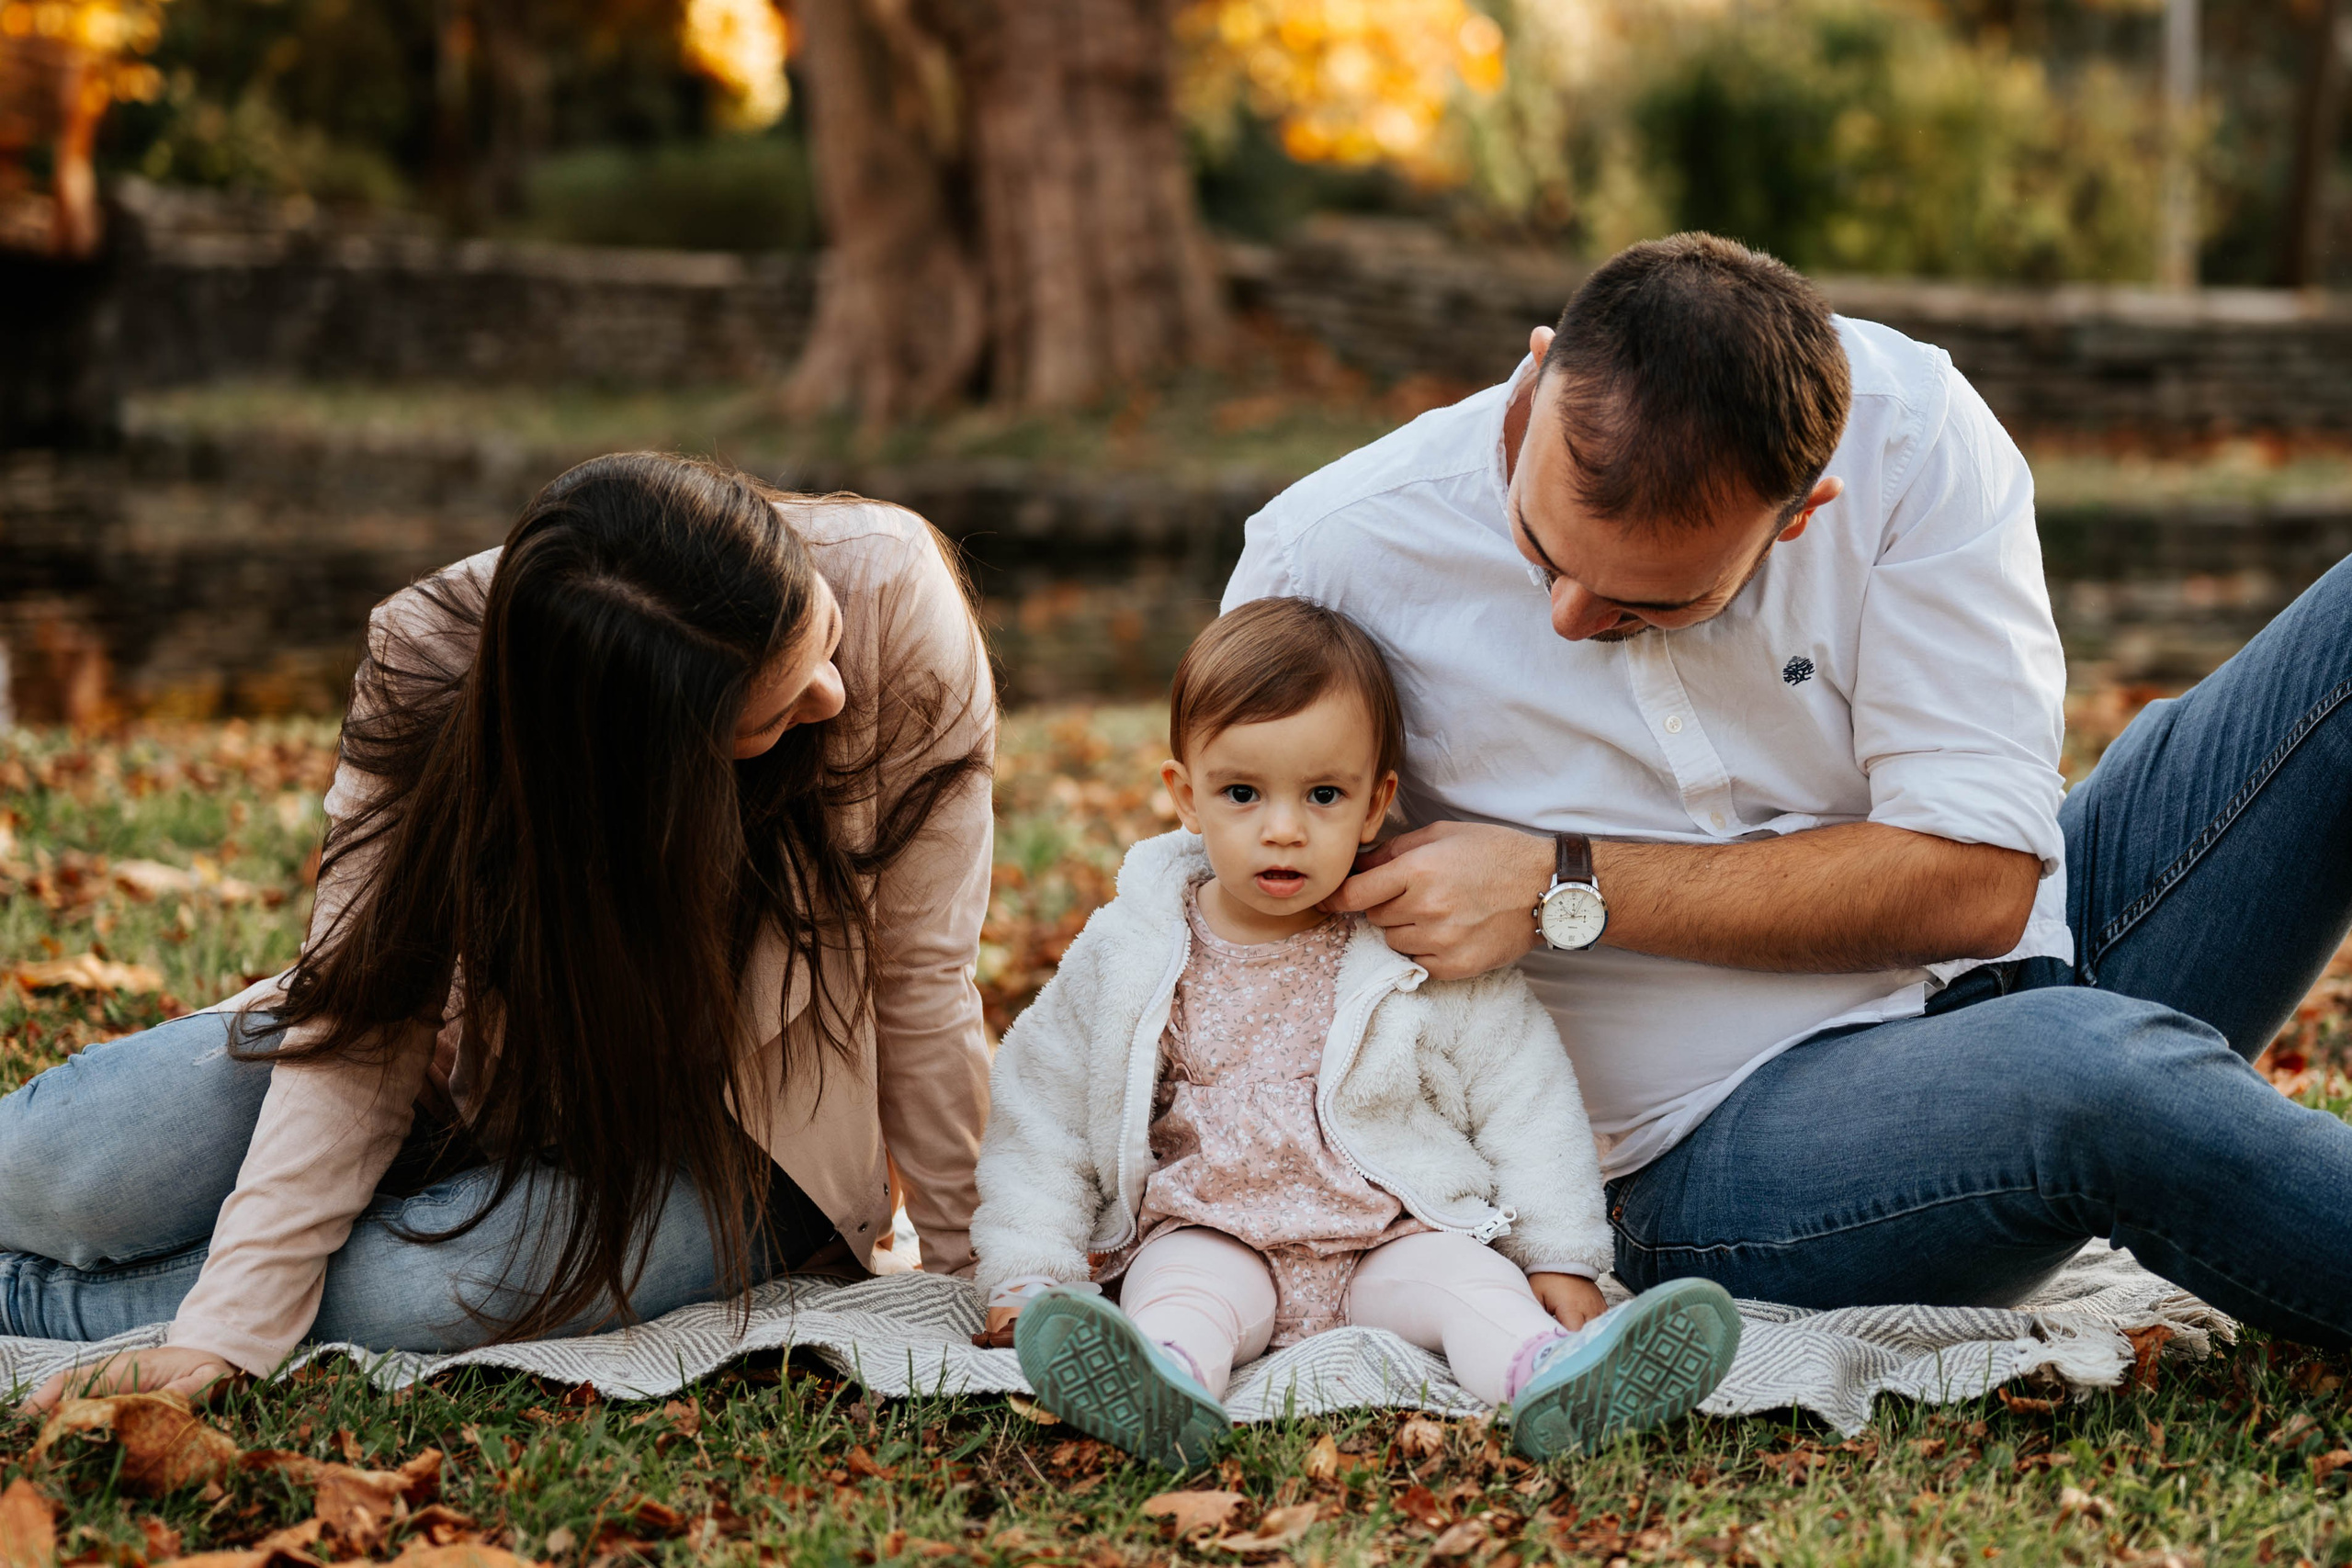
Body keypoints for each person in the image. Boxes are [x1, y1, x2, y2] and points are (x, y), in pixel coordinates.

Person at [1221, 231, 2352, 1344]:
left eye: (1650, 603)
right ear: (1536, 366)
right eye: (1541, 548)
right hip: (1705, 1156)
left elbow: (1979, 889)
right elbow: (1235, 930)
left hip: (2017, 964)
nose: (1569, 616)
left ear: (1802, 513)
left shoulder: (1911, 435)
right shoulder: (1324, 556)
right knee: (2095, 1079)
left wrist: (1561, 885)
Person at [0, 453, 999, 1405]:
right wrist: (241, 1297)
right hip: (472, 1060)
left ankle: (34, 1305)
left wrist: (973, 1271)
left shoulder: (897, 605)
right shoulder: (431, 654)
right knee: (58, 1171)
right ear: (642, 761)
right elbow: (370, 1012)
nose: (833, 695)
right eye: (775, 711)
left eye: (818, 640)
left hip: (744, 1136)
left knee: (410, 1294)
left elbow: (921, 981)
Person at [969, 598, 1741, 1468]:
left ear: (1375, 806)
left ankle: (1554, 1376)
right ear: (1186, 796)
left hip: (1392, 1233)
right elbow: (1044, 1108)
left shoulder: (1412, 946)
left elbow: (1522, 1094)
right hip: (1212, 1228)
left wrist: (1558, 1253)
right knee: (1179, 1294)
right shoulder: (1134, 951)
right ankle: (1161, 1380)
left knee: (1474, 1289)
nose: (1284, 827)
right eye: (1242, 793)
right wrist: (1029, 1268)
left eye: (1324, 794)